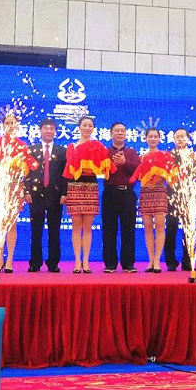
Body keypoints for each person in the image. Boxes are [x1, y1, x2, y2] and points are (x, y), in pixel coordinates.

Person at [0, 114, 37, 273]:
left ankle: (10, 258)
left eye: (13, 123)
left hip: (15, 186)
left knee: (11, 224)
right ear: (3, 125)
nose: (10, 126)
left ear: (18, 126)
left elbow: (29, 169)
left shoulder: (22, 145)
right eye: (7, 123)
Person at [63, 117, 115, 274]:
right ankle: (76, 261)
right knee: (76, 226)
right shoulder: (72, 146)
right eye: (84, 125)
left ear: (93, 128)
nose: (87, 128)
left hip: (91, 187)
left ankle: (86, 261)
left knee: (87, 227)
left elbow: (105, 166)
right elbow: (69, 169)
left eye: (90, 126)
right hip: (74, 187)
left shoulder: (98, 146)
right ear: (79, 127)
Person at [130, 127, 176, 273]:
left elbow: (171, 175)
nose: (153, 139)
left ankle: (157, 260)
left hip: (160, 192)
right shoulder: (141, 157)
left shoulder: (165, 156)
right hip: (145, 193)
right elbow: (137, 177)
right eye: (150, 136)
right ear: (146, 139)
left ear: (159, 139)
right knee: (148, 227)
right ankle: (150, 260)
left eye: (155, 136)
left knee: (160, 226)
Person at [24, 118, 67, 273]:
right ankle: (35, 262)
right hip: (36, 195)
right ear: (40, 130)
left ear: (55, 131)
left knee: (54, 230)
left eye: (52, 128)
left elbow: (65, 174)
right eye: (46, 128)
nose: (49, 131)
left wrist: (64, 193)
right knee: (36, 230)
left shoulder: (62, 151)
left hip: (55, 195)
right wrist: (26, 191)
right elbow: (26, 172)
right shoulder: (31, 150)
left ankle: (53, 262)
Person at [102, 122, 140, 273]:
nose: (119, 133)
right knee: (109, 229)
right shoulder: (104, 152)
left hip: (127, 194)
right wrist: (111, 165)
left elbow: (139, 171)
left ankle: (128, 263)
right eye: (116, 131)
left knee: (128, 229)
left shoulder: (132, 152)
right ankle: (110, 264)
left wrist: (125, 163)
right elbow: (99, 170)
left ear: (126, 134)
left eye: (122, 131)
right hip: (110, 193)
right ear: (111, 134)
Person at [165, 128, 196, 272]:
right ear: (174, 139)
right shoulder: (168, 155)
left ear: (188, 139)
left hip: (189, 195)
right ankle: (171, 261)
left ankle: (188, 261)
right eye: (177, 137)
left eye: (182, 136)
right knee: (171, 228)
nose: (180, 139)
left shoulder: (193, 155)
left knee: (189, 230)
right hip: (172, 195)